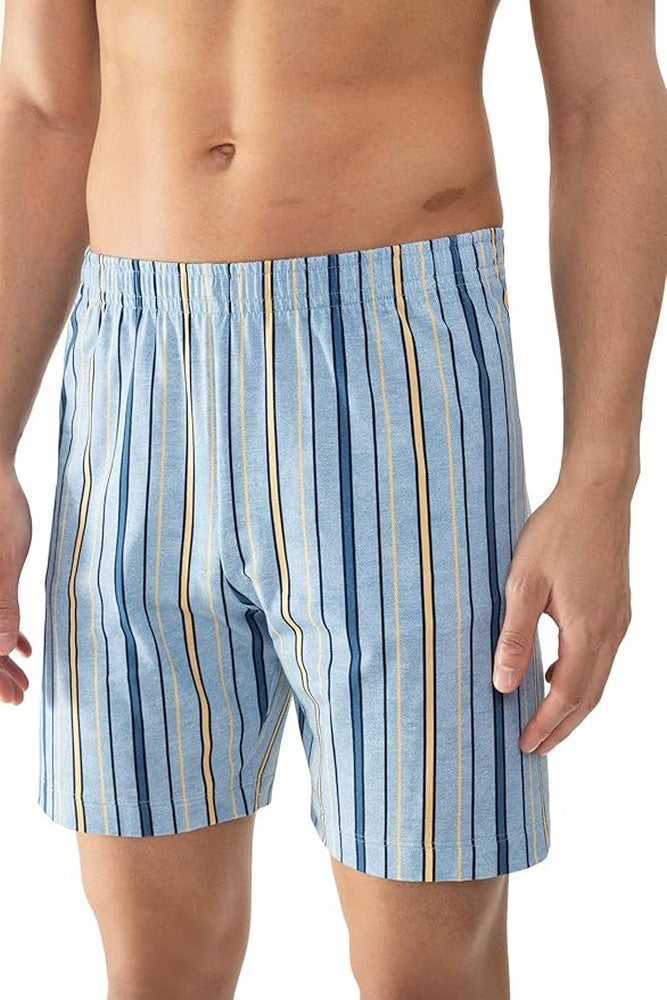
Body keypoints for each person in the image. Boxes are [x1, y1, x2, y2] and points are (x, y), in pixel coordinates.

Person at [0, 1, 665, 997]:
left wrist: (601, 475)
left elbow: (604, 94)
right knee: (154, 962)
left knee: (426, 968)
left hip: (398, 366)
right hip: (133, 369)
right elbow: (43, 104)